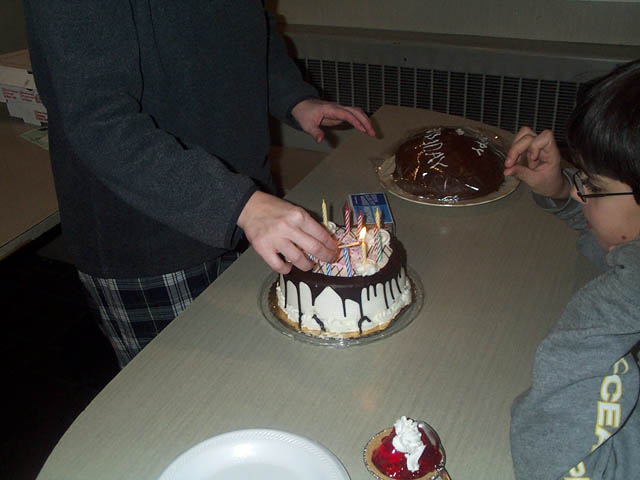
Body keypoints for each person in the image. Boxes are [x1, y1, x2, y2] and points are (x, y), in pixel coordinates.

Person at [22, 1, 375, 367]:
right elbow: (98, 120)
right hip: (148, 239)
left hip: (249, 207)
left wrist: (294, 98)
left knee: (264, 370)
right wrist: (239, 205)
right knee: (187, 391)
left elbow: (247, 29)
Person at [504, 59, 640, 480]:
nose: (583, 196)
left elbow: (552, 461)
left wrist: (588, 325)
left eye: (593, 187)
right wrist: (563, 190)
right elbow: (620, 239)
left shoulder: (616, 307)